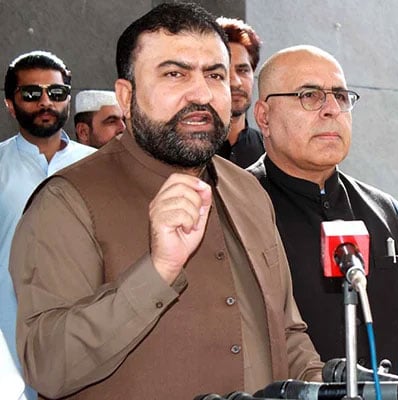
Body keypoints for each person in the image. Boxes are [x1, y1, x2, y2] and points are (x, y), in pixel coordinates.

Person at [9, 3, 322, 399]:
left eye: (215, 75)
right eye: (175, 74)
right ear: (126, 96)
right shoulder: (67, 202)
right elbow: (47, 366)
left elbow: (287, 334)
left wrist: (332, 387)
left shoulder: (248, 191)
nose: (201, 93)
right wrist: (157, 271)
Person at [248, 45, 398, 377]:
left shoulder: (388, 213)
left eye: (340, 96)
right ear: (264, 116)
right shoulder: (238, 205)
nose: (331, 109)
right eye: (309, 95)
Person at [0, 50, 95, 400]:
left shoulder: (96, 168)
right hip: (8, 344)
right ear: (10, 104)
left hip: (85, 339)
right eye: (31, 94)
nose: (45, 102)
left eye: (56, 94)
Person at [214, 17, 264, 168]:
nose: (235, 82)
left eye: (243, 70)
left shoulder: (272, 151)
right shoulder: (184, 150)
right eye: (223, 72)